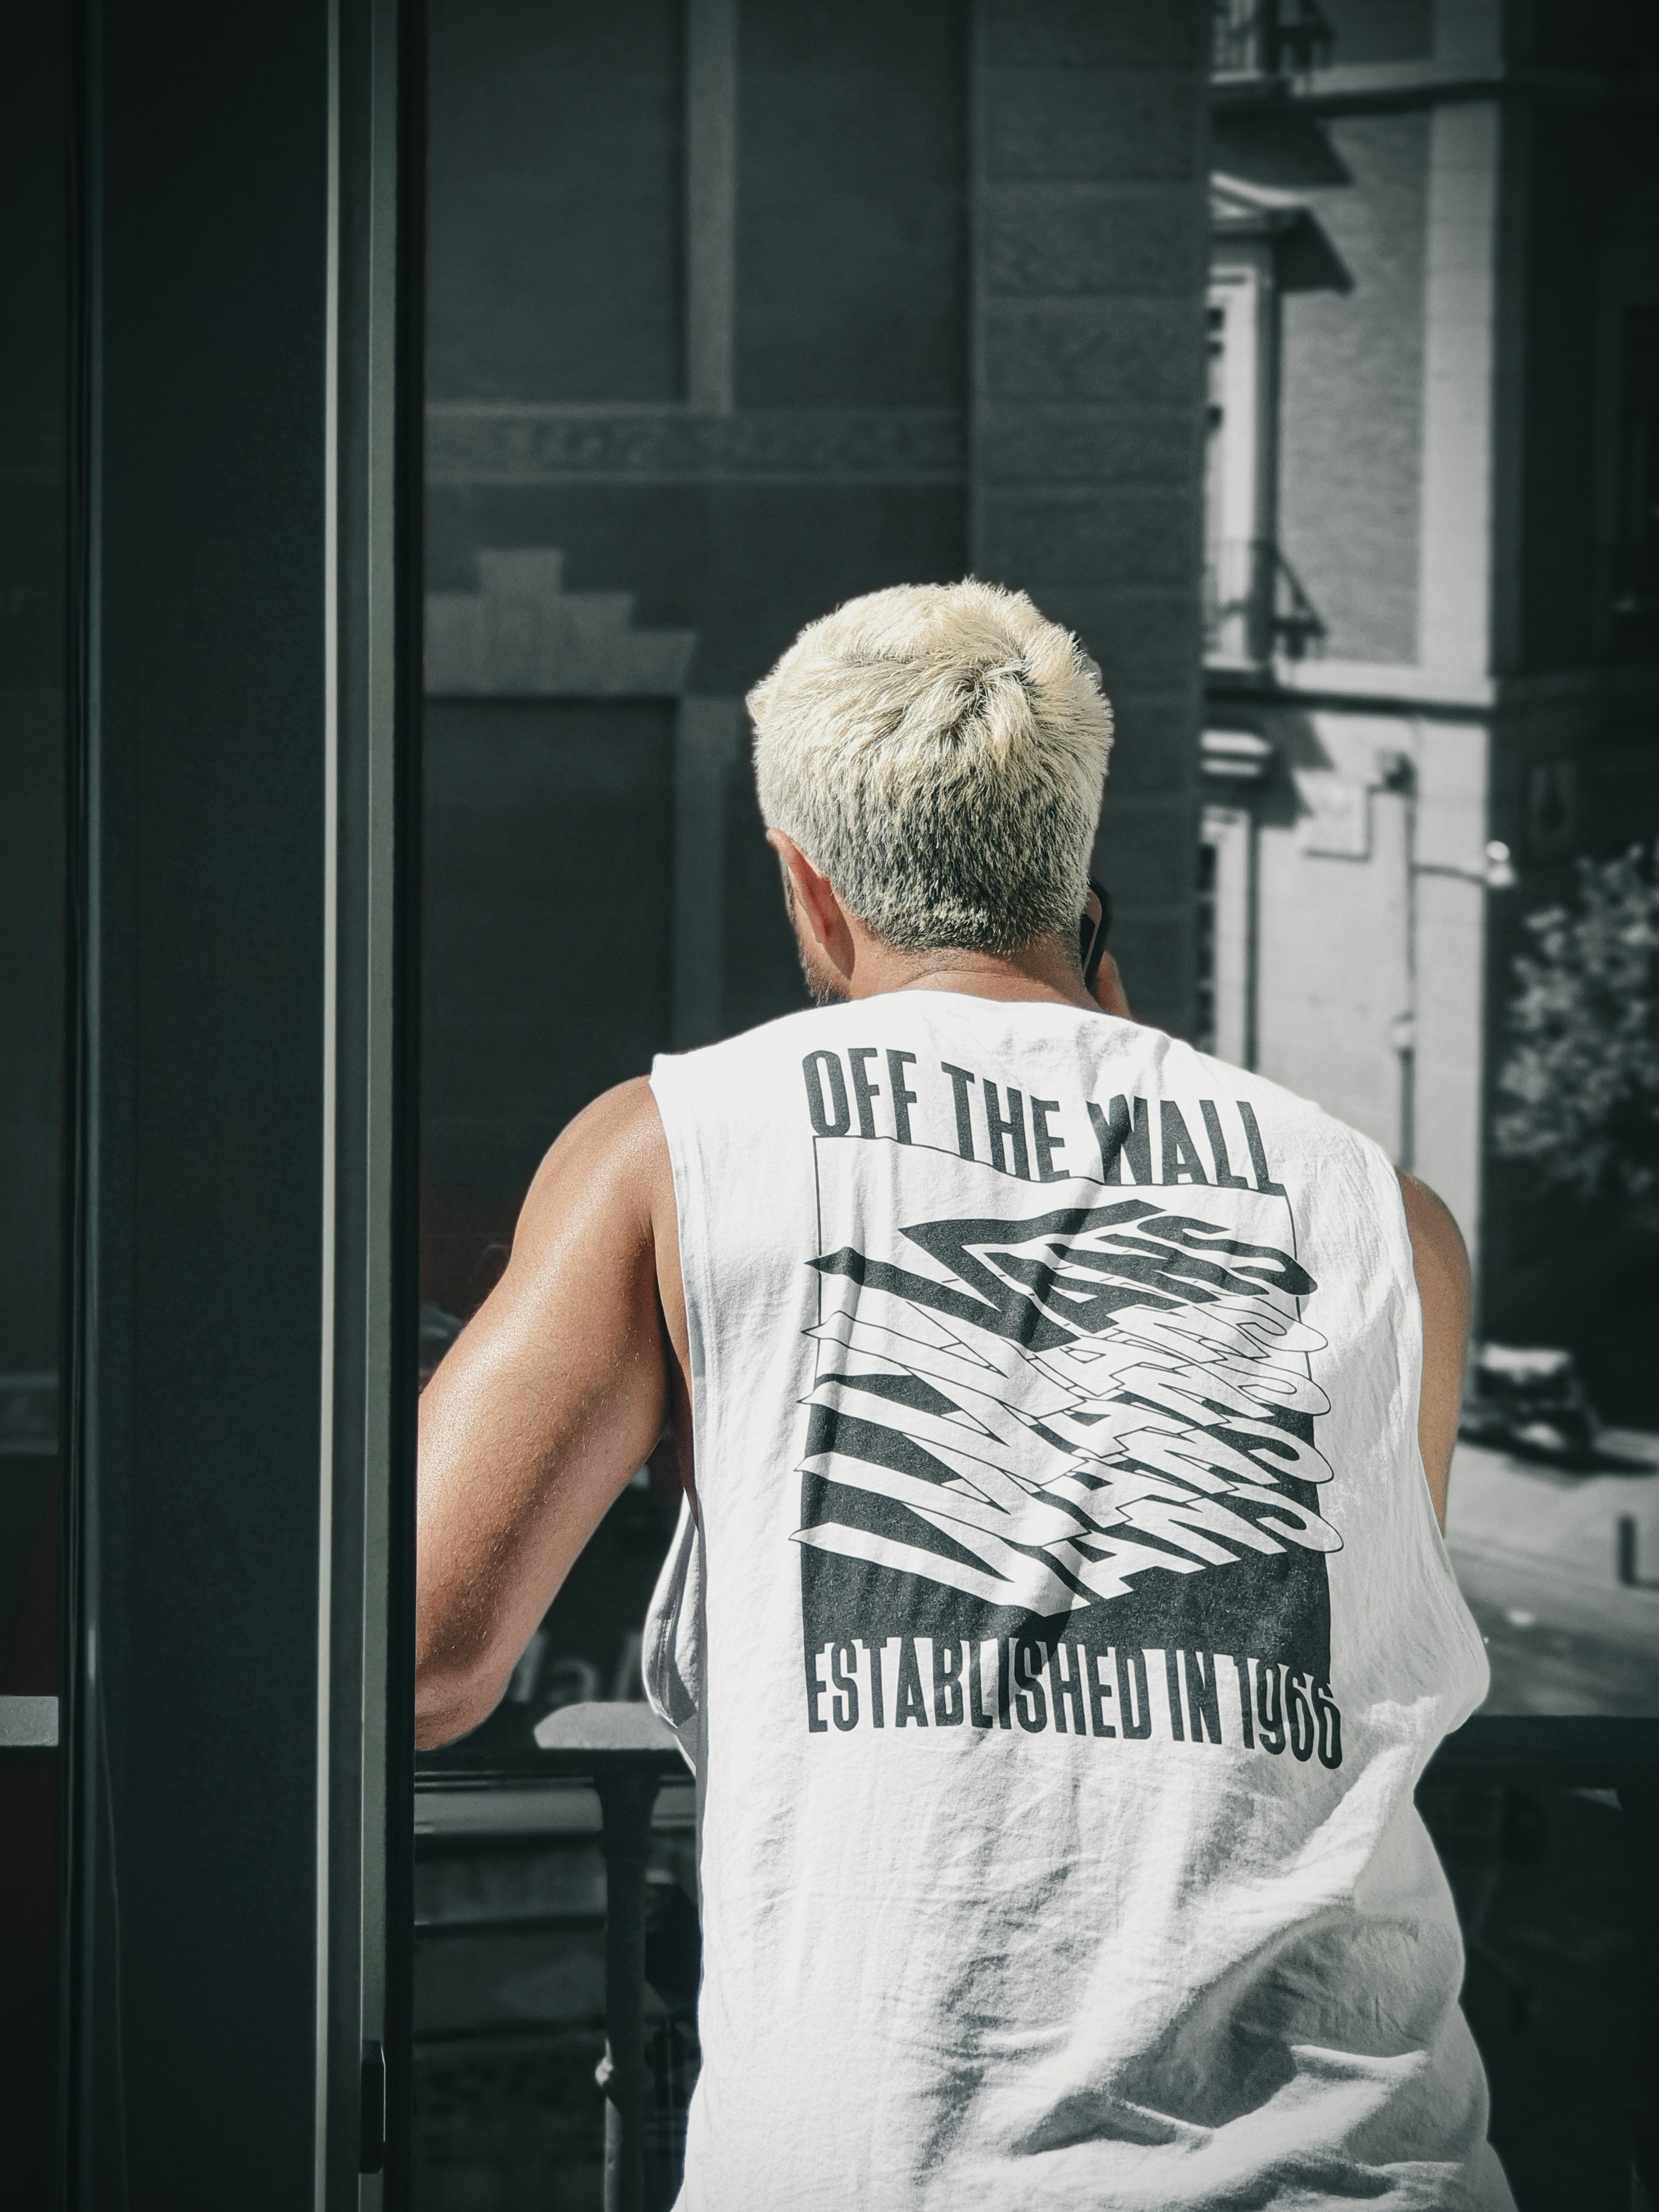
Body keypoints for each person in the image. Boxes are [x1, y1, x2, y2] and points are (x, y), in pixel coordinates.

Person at [416, 580, 1514, 2210]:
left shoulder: (673, 1150)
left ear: (807, 882)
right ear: (1080, 864)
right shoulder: (1381, 1211)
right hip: (1370, 2166)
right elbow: (1330, 1651)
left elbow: (417, 1656)